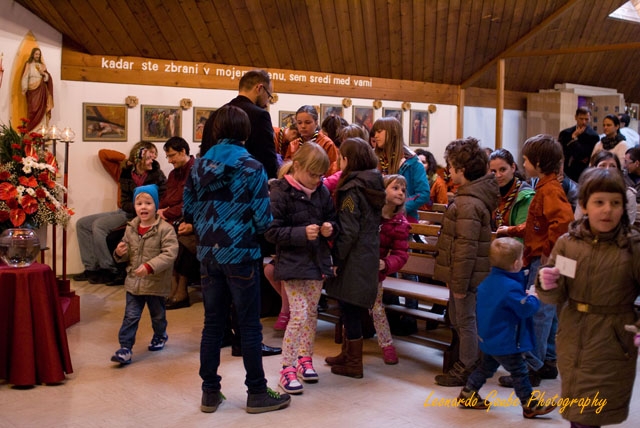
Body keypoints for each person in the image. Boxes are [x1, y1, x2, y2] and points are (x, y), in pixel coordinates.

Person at [183, 105, 290, 414]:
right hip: (242, 253)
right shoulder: (252, 167)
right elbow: (263, 220)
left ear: (216, 130)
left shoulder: (198, 167)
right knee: (249, 326)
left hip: (208, 253)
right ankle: (257, 392)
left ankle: (210, 393)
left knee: (212, 325)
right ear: (246, 132)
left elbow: (188, 211)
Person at [536, 167, 640, 427]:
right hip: (572, 337)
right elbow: (555, 294)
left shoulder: (632, 247)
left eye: (615, 203)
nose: (607, 210)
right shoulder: (568, 243)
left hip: (613, 341)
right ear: (584, 205)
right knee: (578, 415)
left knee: (587, 417)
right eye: (599, 202)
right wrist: (546, 283)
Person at [497, 135, 574, 387]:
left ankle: (531, 368)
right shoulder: (543, 186)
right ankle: (548, 361)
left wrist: (549, 256)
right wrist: (511, 230)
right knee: (547, 313)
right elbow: (535, 225)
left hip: (547, 262)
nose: (524, 164)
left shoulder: (550, 190)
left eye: (526, 160)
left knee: (538, 313)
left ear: (538, 163)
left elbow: (563, 223)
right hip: (545, 259)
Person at [265, 143, 337, 395]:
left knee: (311, 314)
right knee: (299, 314)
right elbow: (271, 231)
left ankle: (305, 359)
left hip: (316, 262)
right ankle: (287, 368)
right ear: (297, 166)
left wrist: (330, 228)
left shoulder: (321, 191)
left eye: (320, 176)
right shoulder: (280, 191)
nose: (317, 180)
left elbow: (333, 219)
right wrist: (301, 233)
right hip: (292, 265)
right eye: (312, 174)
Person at [457, 237, 556, 419]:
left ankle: (468, 393)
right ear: (516, 263)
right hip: (507, 340)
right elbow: (525, 309)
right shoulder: (510, 287)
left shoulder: (487, 282)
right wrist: (533, 297)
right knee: (520, 371)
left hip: (488, 337)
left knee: (485, 368)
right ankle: (529, 405)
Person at [432, 137, 499, 386]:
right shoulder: (467, 198)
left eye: (450, 166)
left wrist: (459, 284)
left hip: (467, 278)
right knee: (459, 318)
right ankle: (469, 362)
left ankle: (469, 367)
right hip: (462, 276)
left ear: (461, 170)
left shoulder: (468, 204)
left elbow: (466, 248)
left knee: (466, 320)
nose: (448, 171)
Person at [324, 137, 386, 379]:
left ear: (347, 160)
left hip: (353, 256)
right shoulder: (373, 183)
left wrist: (336, 259)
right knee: (348, 305)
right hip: (368, 252)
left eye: (340, 157)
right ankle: (347, 354)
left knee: (349, 307)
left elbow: (348, 230)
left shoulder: (352, 189)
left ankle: (353, 362)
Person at [74, 142, 166, 285]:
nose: (153, 158)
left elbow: (162, 197)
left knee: (99, 226)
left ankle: (109, 269)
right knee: (82, 223)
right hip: (125, 210)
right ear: (138, 159)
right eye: (149, 155)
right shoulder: (126, 172)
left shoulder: (156, 174)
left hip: (136, 214)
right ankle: (91, 268)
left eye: (154, 154)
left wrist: (141, 209)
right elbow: (124, 201)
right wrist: (128, 160)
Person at [110, 184, 178, 365]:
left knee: (158, 315)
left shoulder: (165, 229)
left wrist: (149, 266)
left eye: (148, 203)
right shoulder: (131, 228)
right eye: (139, 204)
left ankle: (160, 335)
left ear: (156, 205)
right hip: (134, 282)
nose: (143, 207)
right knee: (130, 316)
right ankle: (125, 348)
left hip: (155, 282)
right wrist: (120, 253)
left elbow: (170, 254)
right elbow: (128, 253)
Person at [157, 137, 198, 309]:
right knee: (163, 237)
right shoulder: (173, 174)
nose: (169, 160)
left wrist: (166, 212)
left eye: (172, 156)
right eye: (168, 156)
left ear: (183, 152)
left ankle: (181, 290)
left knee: (181, 242)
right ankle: (173, 286)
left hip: (193, 220)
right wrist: (159, 210)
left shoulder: (196, 170)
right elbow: (167, 198)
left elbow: (191, 203)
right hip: (174, 218)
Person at [373, 174, 410, 363]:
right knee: (351, 307)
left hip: (375, 271)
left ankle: (387, 345)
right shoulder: (371, 213)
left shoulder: (399, 223)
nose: (400, 192)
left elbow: (401, 254)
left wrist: (386, 264)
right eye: (395, 188)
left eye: (403, 190)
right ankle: (350, 346)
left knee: (377, 308)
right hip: (358, 266)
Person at [371, 117, 431, 223]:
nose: (375, 135)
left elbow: (423, 193)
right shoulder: (372, 157)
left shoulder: (412, 161)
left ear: (392, 133)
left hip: (403, 219)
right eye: (375, 132)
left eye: (379, 132)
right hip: (375, 217)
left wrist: (399, 208)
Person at [226, 69, 279, 179]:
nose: (267, 103)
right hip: (249, 183)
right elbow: (267, 160)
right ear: (259, 88)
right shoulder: (260, 116)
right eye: (268, 95)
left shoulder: (216, 114)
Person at [574, 150, 637, 224]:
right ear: (594, 169)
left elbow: (628, 225)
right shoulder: (586, 191)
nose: (607, 170)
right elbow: (577, 221)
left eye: (612, 166)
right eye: (602, 165)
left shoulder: (628, 194)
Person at [285, 105, 340, 175]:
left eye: (307, 122)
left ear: (316, 123)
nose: (303, 126)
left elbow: (333, 170)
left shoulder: (326, 143)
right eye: (299, 123)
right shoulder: (293, 145)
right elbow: (287, 169)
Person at [488, 148, 535, 231]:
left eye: (503, 170)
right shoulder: (489, 194)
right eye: (493, 171)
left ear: (513, 167)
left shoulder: (525, 196)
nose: (498, 175)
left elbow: (524, 233)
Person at [558, 107, 600, 182]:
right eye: (581, 119)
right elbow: (561, 152)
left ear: (590, 119)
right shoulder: (565, 133)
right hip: (566, 170)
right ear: (576, 117)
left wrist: (574, 138)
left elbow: (582, 155)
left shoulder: (593, 136)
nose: (584, 122)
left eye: (586, 119)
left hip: (583, 172)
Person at [21, 47, 53, 132]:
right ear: (33, 54)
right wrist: (24, 88)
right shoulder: (28, 64)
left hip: (41, 89)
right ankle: (32, 130)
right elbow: (25, 77)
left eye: (39, 54)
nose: (37, 56)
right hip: (31, 90)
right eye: (36, 54)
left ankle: (41, 129)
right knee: (32, 109)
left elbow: (47, 78)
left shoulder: (42, 66)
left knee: (41, 109)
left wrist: (43, 74)